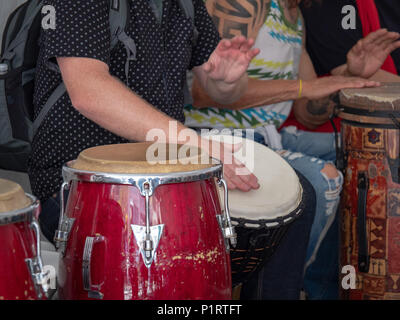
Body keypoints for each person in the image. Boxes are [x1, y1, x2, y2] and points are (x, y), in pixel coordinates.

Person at [184, 0, 399, 299]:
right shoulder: (245, 5)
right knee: (325, 180)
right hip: (217, 138)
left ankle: (320, 289)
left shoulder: (294, 15)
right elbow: (200, 91)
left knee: (366, 153)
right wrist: (301, 87)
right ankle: (280, 289)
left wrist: (352, 72)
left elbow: (309, 111)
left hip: (272, 135)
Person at [29, 0, 263, 245]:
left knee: (294, 206)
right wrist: (194, 145)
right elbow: (89, 93)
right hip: (82, 186)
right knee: (186, 246)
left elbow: (219, 89)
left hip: (168, 175)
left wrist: (226, 81)